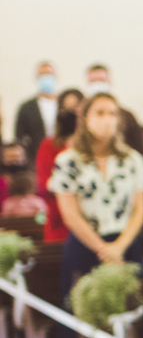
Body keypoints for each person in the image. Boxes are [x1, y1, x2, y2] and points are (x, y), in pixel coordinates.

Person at [48, 91, 143, 338]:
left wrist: (120, 246)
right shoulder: (68, 160)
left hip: (125, 245)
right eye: (100, 113)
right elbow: (69, 212)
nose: (107, 120)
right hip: (85, 246)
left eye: (112, 113)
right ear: (85, 119)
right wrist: (102, 248)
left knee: (133, 315)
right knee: (84, 316)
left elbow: (139, 209)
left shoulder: (130, 158)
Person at [35, 89, 83, 243]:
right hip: (59, 217)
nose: (71, 114)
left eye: (76, 108)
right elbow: (44, 183)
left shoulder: (93, 146)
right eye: (66, 108)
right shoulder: (48, 145)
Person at [83, 64, 143, 153]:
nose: (97, 84)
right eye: (93, 81)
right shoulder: (79, 115)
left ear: (110, 82)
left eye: (101, 80)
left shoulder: (127, 116)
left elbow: (139, 148)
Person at [14, 61, 61, 165]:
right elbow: (19, 138)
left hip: (62, 155)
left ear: (55, 77)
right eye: (42, 75)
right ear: (36, 78)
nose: (46, 78)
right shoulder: (26, 107)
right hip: (36, 158)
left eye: (48, 74)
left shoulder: (63, 104)